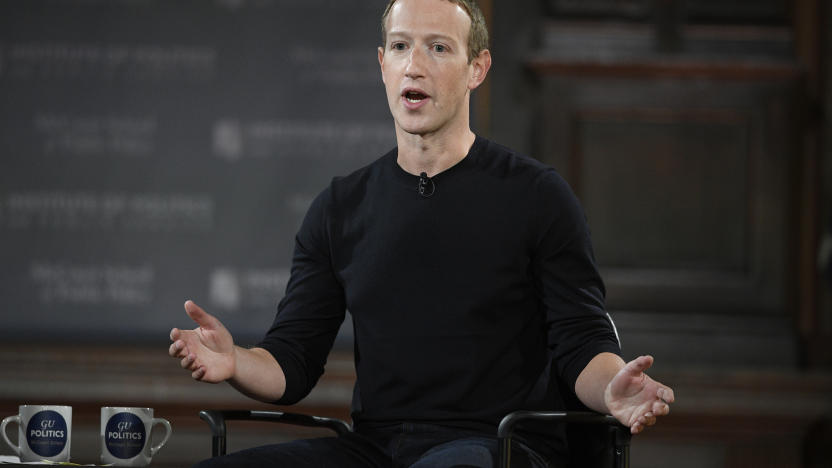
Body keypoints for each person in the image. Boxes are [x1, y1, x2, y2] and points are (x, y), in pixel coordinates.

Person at [169, 0, 675, 466]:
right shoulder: (339, 208)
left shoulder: (537, 196)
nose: (415, 64)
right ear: (383, 65)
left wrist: (614, 388)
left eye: (438, 47)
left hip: (499, 446)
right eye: (400, 46)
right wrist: (235, 361)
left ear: (477, 68)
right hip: (378, 448)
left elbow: (581, 342)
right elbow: (292, 362)